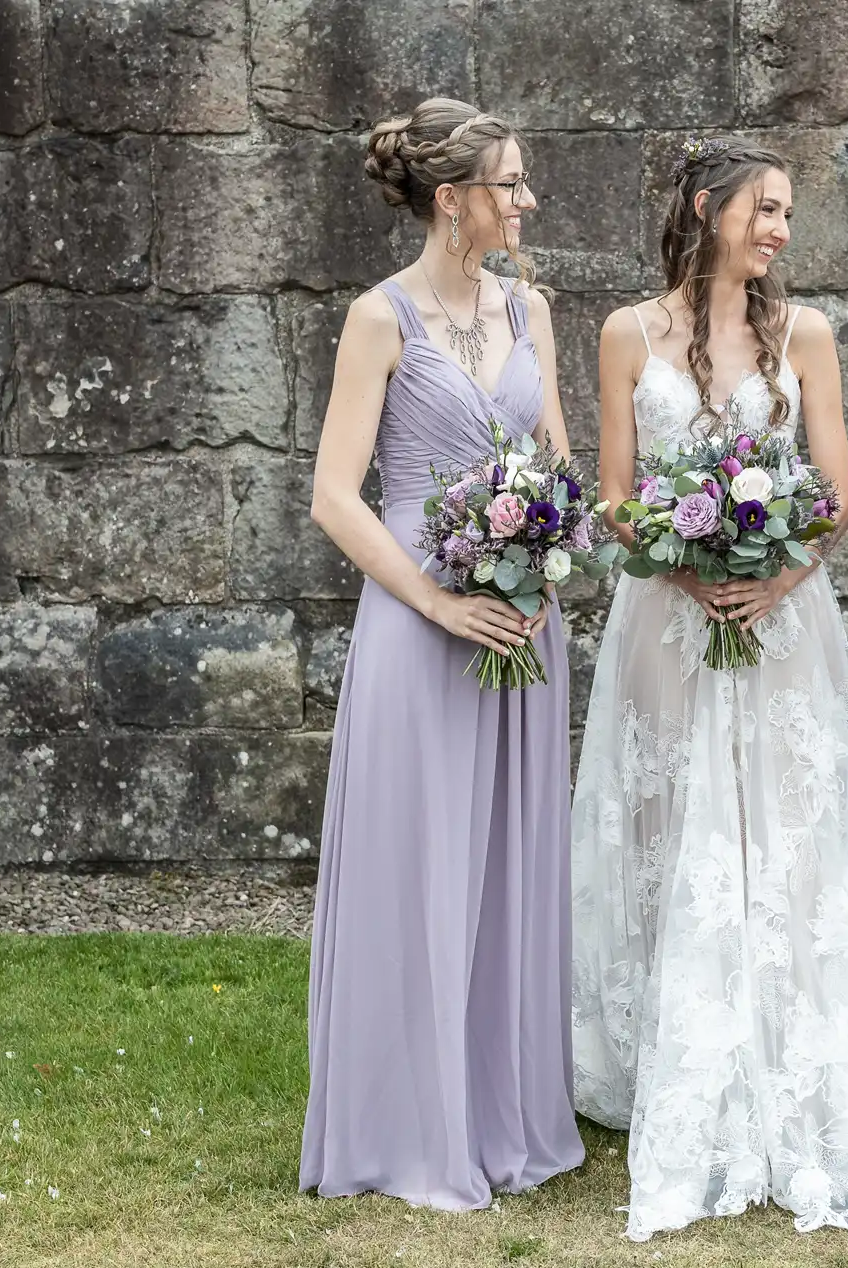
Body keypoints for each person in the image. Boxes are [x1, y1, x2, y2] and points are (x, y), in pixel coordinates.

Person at [567, 135, 848, 1241]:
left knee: (789, 826)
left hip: (780, 616)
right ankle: (673, 1051)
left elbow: (836, 493)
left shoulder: (802, 332)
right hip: (664, 617)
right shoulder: (624, 332)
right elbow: (615, 495)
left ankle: (790, 1043)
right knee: (670, 820)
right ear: (707, 208)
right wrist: (681, 561)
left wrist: (773, 576)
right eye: (765, 209)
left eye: (787, 215)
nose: (780, 231)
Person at [299, 97, 584, 1209]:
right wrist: (433, 599)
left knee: (507, 860)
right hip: (422, 618)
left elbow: (555, 458)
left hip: (521, 616)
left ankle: (499, 1108)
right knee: (421, 857)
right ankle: (407, 1126)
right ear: (453, 198)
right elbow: (334, 495)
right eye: (509, 185)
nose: (525, 201)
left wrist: (548, 547)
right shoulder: (381, 319)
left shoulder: (533, 307)